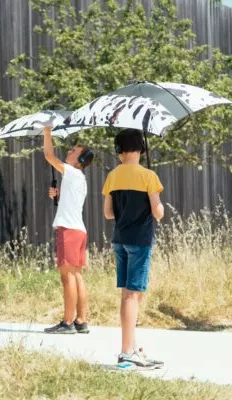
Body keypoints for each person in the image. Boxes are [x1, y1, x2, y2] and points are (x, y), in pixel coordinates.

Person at [102, 129, 165, 368]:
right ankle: (126, 352)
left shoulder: (112, 176)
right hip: (140, 240)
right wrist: (155, 200)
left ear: (119, 152)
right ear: (141, 149)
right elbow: (158, 213)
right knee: (132, 294)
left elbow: (108, 213)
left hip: (120, 239)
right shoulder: (149, 176)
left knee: (129, 294)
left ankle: (133, 347)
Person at [42, 126, 94, 334]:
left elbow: (48, 155)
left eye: (73, 151)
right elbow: (69, 202)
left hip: (69, 231)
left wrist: (47, 133)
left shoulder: (72, 172)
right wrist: (57, 196)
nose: (69, 152)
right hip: (78, 230)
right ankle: (81, 320)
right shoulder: (78, 178)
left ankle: (67, 322)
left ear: (79, 160)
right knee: (77, 276)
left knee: (67, 277)